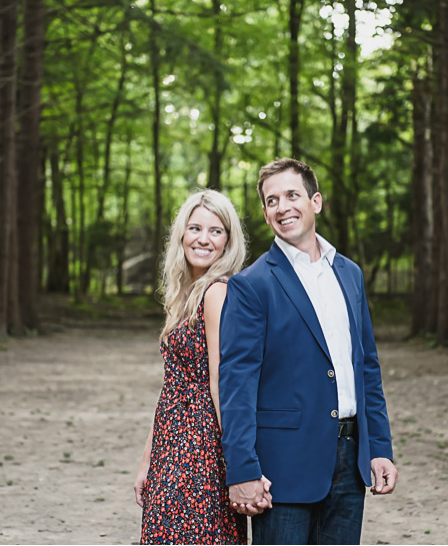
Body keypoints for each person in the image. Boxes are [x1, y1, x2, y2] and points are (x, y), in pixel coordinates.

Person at [219, 158, 397, 545]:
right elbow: (237, 385)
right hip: (283, 466)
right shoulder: (251, 286)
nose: (282, 207)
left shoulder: (350, 274)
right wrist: (242, 470)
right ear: (266, 215)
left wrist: (379, 447)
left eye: (291, 195)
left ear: (316, 202)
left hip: (350, 462)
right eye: (271, 201)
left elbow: (367, 366)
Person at [135, 189, 252, 545]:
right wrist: (147, 461)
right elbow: (170, 386)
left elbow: (221, 382)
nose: (203, 239)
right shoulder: (183, 294)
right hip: (171, 442)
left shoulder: (218, 292)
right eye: (195, 228)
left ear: (228, 241)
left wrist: (237, 460)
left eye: (216, 231)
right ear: (181, 234)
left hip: (202, 448)